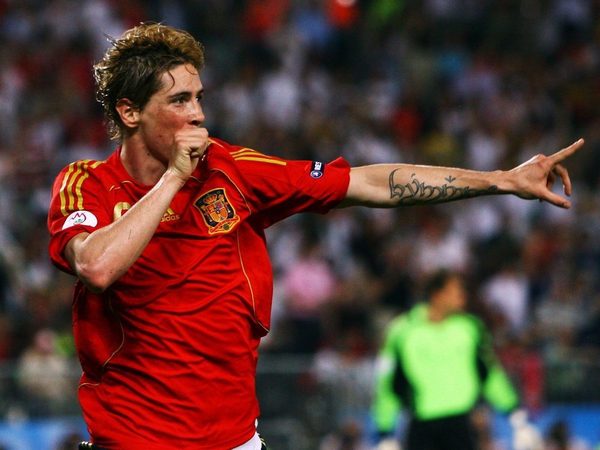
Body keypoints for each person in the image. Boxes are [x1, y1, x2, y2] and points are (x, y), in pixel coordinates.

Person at [46, 22, 583, 450]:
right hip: (135, 442)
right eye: (180, 101)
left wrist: (500, 180)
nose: (199, 114)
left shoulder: (234, 170)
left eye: (199, 96)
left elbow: (369, 183)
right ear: (129, 111)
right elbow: (97, 267)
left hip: (235, 440)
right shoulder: (84, 184)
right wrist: (174, 179)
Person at [371, 269, 543, 450]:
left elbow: (488, 374)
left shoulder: (469, 328)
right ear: (437, 295)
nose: (463, 297)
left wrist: (515, 414)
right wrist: (384, 432)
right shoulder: (402, 331)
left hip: (461, 424)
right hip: (421, 425)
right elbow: (388, 383)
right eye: (456, 291)